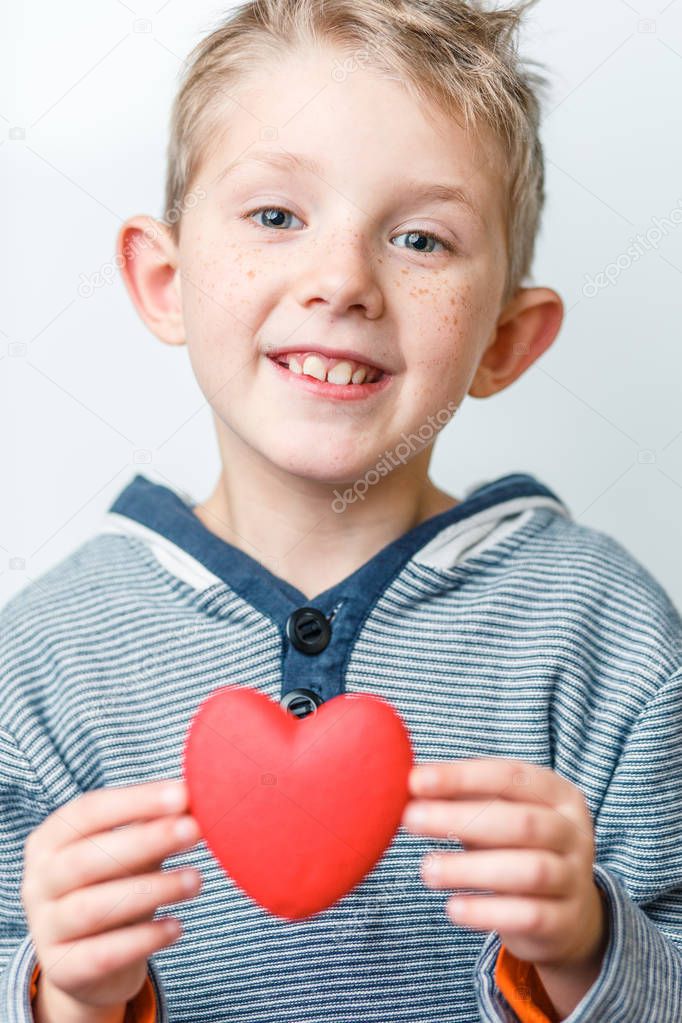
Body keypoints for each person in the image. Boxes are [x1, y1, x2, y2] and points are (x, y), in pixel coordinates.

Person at [2, 1, 680, 1020]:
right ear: (164, 280)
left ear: (504, 339)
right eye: (277, 216)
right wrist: (66, 999)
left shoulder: (605, 633)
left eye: (419, 238)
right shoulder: (45, 660)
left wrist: (588, 946)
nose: (342, 281)